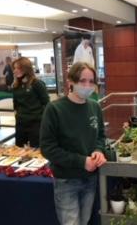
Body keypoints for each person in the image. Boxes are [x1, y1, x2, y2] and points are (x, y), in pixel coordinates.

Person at [40, 62, 107, 225]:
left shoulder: (94, 107)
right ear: (71, 81)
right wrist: (82, 161)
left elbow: (100, 136)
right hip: (66, 180)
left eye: (91, 81)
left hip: (90, 178)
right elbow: (48, 148)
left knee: (84, 221)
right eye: (82, 81)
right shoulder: (55, 109)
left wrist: (99, 150)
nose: (87, 85)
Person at [12, 57, 49, 148]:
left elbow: (46, 103)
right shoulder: (16, 85)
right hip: (21, 123)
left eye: (18, 68)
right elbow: (16, 104)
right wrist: (17, 114)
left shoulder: (37, 83)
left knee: (36, 151)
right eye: (14, 68)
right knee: (18, 150)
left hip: (35, 124)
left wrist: (39, 117)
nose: (15, 71)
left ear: (26, 69)